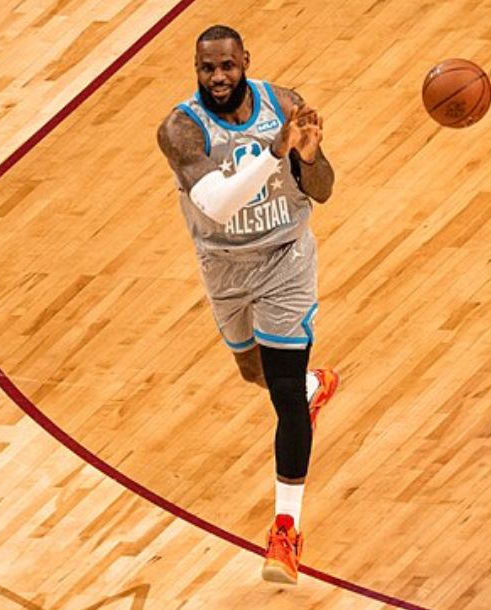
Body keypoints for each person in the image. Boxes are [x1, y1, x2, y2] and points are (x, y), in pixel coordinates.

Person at [155, 24, 339, 585]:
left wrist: (308, 157)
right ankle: (310, 386)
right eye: (207, 68)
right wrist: (276, 151)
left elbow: (324, 188)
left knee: (282, 394)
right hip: (224, 264)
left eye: (227, 66)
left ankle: (286, 531)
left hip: (286, 256)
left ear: (245, 63)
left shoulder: (283, 105)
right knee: (252, 370)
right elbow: (217, 206)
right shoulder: (182, 129)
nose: (217, 77)